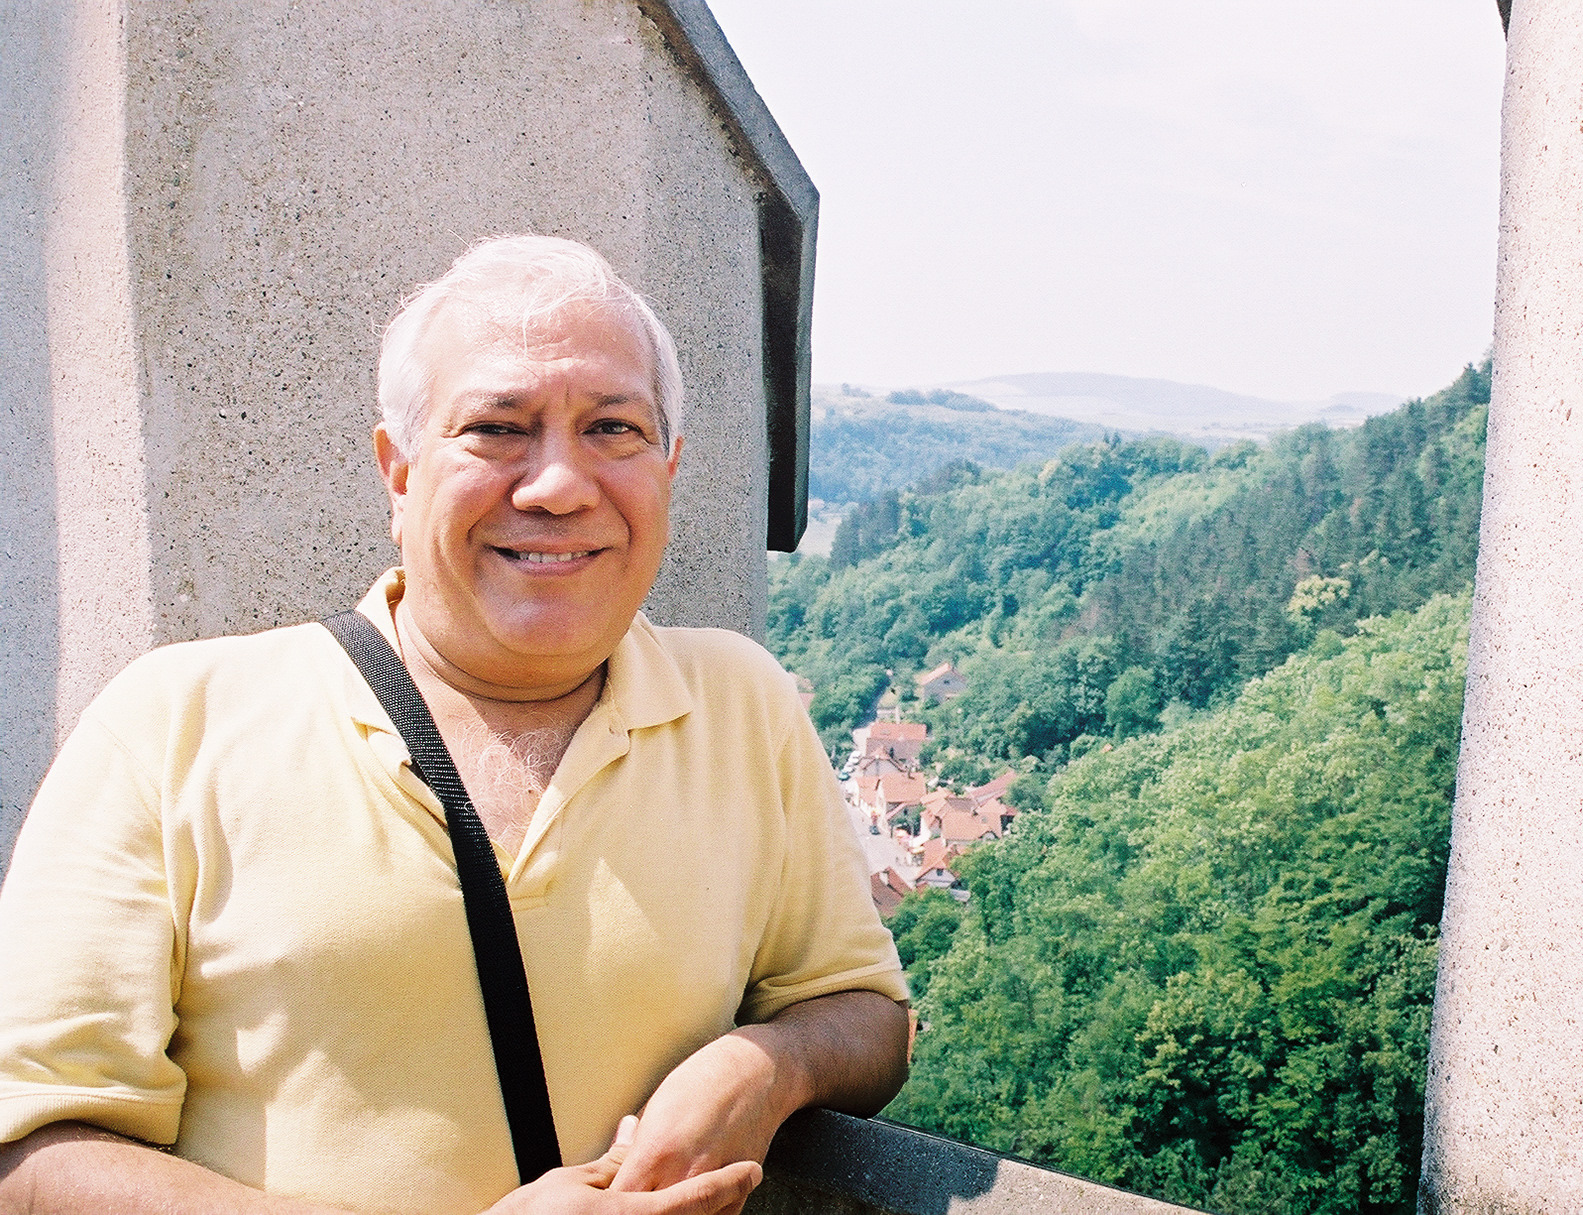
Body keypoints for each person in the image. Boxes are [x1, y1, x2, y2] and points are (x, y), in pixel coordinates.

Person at [0, 235, 911, 1215]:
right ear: (398, 471)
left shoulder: (743, 704)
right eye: (497, 428)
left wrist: (766, 1065)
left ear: (669, 467)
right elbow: (30, 1155)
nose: (558, 485)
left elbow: (866, 1013)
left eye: (613, 428)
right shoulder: (175, 724)